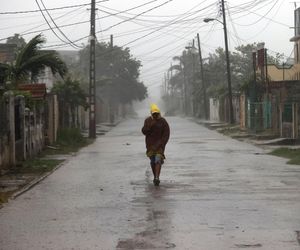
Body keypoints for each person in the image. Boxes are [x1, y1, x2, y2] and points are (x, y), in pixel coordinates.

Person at [141, 104, 170, 186]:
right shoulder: (148, 121)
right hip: (150, 146)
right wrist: (150, 125)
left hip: (160, 145)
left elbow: (166, 134)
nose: (155, 115)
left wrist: (162, 144)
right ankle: (155, 177)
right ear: (151, 113)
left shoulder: (163, 121)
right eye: (154, 114)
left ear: (159, 113)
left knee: (158, 160)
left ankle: (157, 177)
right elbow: (144, 131)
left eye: (157, 113)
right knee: (152, 162)